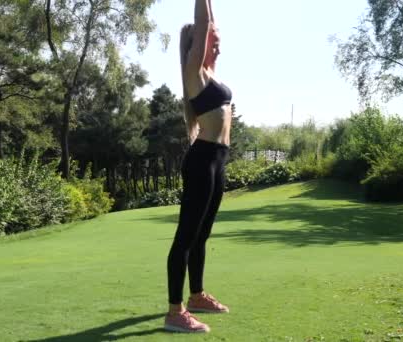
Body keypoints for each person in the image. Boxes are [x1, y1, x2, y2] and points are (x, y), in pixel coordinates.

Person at [164, 0, 232, 334]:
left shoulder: (212, 74)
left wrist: (213, 15)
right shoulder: (195, 73)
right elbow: (204, 22)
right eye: (213, 41)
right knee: (186, 237)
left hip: (218, 161)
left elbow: (212, 22)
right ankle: (175, 312)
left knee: (202, 236)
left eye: (218, 40)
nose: (218, 44)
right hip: (202, 160)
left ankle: (197, 295)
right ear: (199, 46)